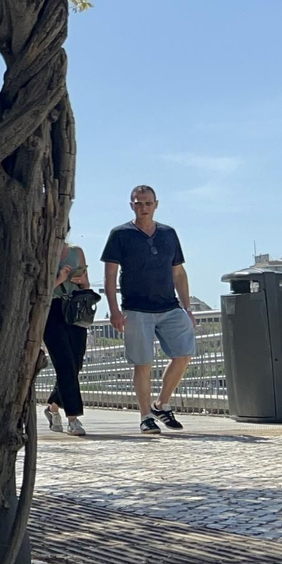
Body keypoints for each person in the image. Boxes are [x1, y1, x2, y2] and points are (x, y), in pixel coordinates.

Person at [102, 185, 195, 435]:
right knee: (142, 363)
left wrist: (188, 307)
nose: (143, 207)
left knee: (184, 353)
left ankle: (161, 404)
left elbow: (178, 272)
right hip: (136, 308)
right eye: (138, 203)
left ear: (156, 204)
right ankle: (145, 416)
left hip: (170, 306)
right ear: (131, 205)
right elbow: (110, 274)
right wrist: (114, 310)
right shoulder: (120, 234)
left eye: (147, 203)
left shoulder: (168, 233)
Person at [44, 239, 91, 436]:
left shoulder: (77, 251)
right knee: (63, 363)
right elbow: (39, 289)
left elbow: (86, 284)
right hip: (51, 311)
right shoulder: (42, 252)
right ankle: (73, 418)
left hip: (75, 309)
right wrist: (60, 280)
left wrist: (80, 281)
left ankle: (53, 408)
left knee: (75, 364)